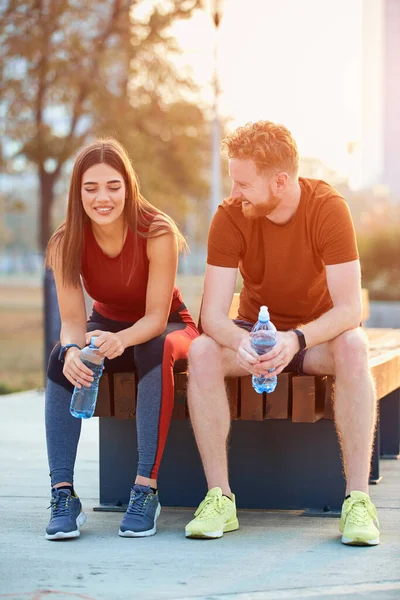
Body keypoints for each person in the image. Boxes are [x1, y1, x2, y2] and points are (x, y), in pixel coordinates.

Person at [185, 121, 380, 546]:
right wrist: (241, 342)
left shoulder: (328, 208)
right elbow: (211, 314)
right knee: (201, 352)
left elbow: (349, 309)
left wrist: (297, 339)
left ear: (280, 180)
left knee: (354, 345)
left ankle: (358, 502)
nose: (234, 193)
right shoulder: (230, 216)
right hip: (254, 336)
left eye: (243, 183)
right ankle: (220, 498)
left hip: (314, 339)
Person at [44, 138, 198, 540]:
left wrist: (120, 340)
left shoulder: (157, 230)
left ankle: (145, 489)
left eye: (113, 186)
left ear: (128, 186)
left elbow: (153, 318)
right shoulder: (65, 241)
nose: (102, 197)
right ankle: (63, 494)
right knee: (60, 357)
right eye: (90, 187)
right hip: (108, 328)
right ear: (77, 192)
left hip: (168, 327)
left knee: (154, 346)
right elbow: (74, 322)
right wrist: (75, 350)